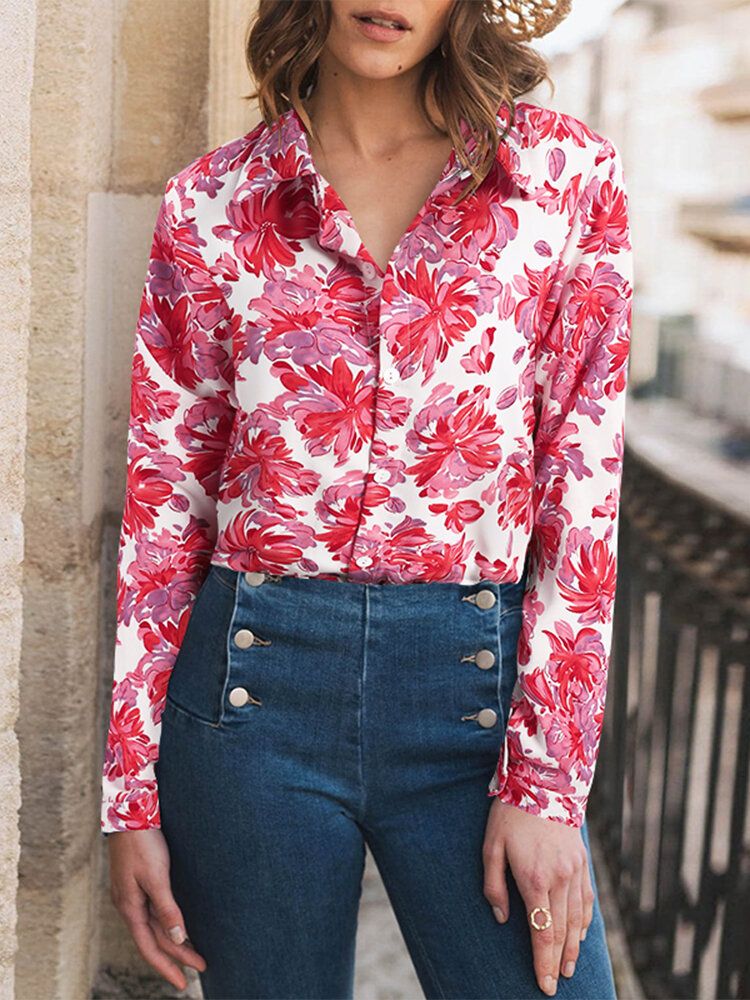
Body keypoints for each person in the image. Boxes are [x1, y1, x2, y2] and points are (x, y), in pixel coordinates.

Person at [100, 1, 633, 997]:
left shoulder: (566, 179)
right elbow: (164, 501)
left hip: (473, 699)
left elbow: (583, 491)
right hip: (249, 700)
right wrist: (130, 796)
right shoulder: (214, 199)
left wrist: (548, 782)